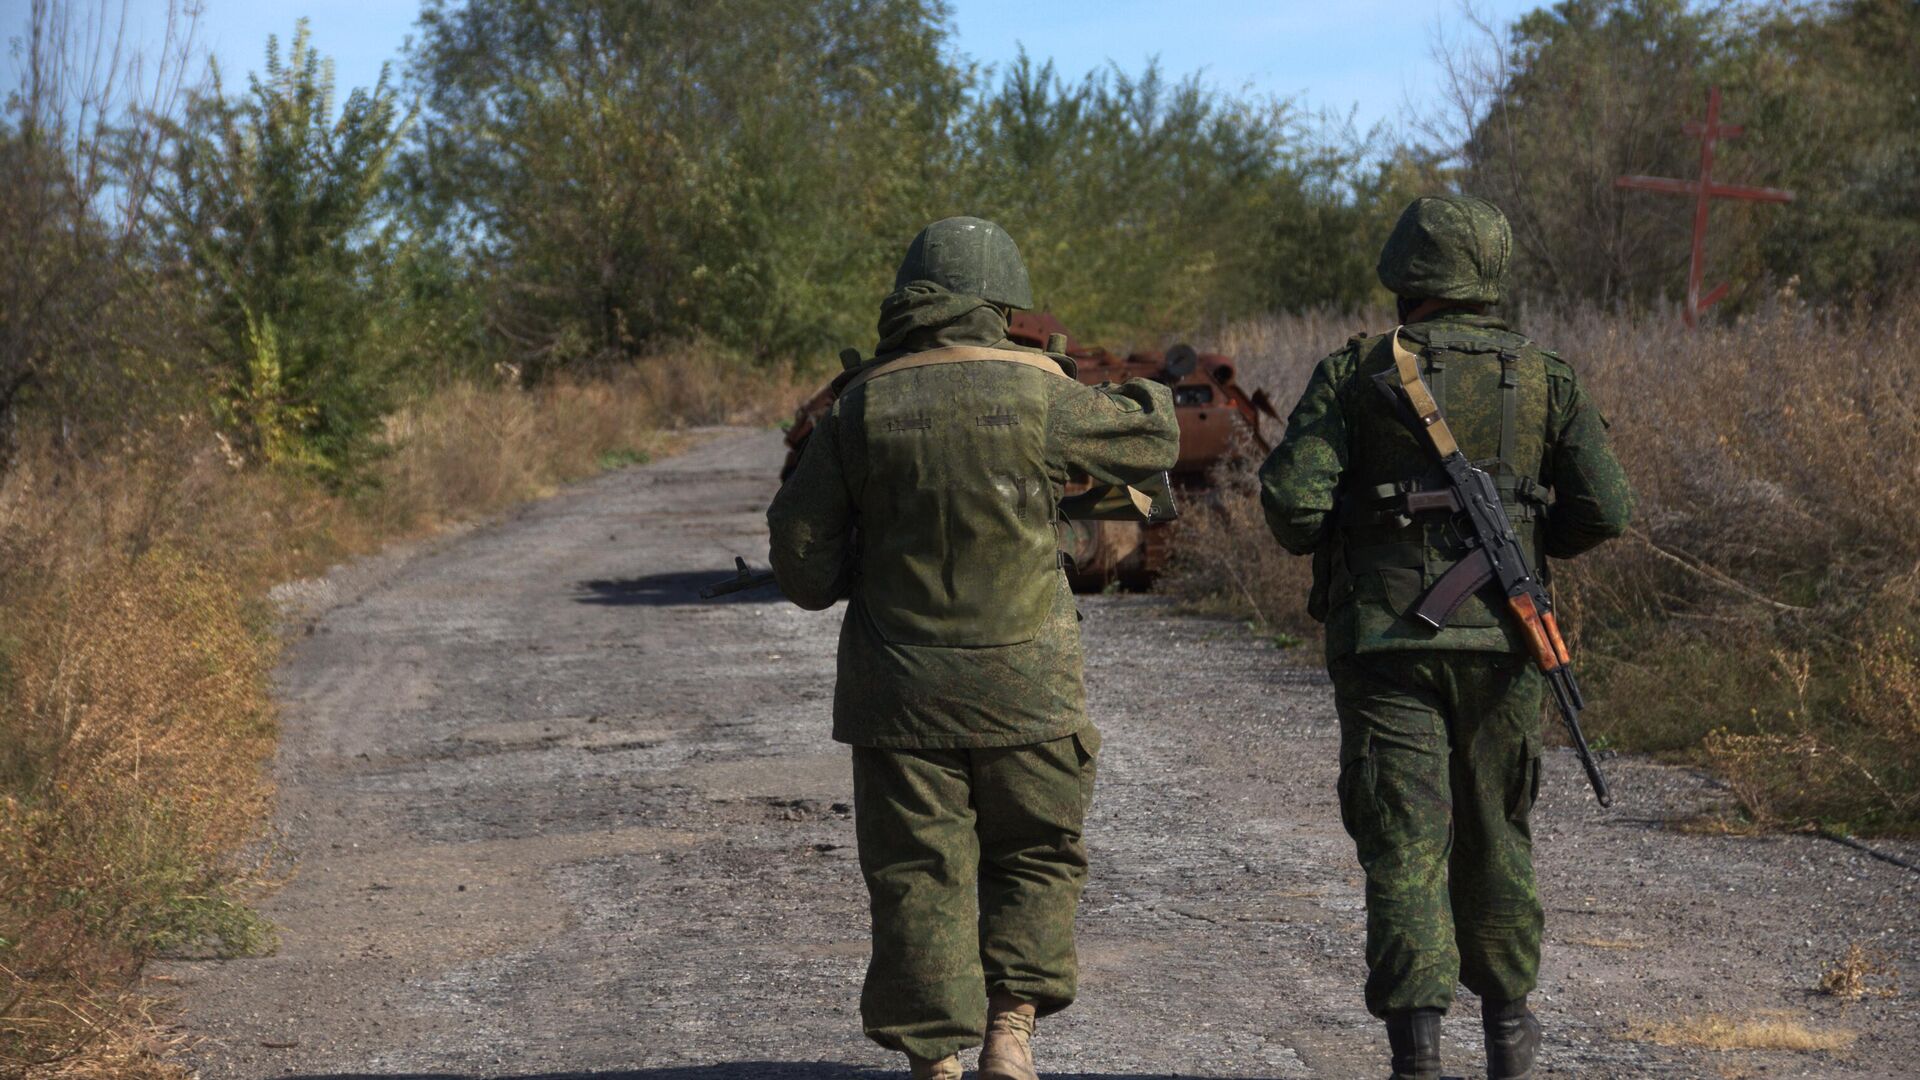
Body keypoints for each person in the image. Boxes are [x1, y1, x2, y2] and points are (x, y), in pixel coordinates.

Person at [767, 216, 1180, 1080]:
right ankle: (1011, 1035)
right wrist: (1144, 392)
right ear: (1003, 301)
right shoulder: (1041, 391)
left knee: (918, 870)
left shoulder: (859, 405)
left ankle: (934, 1065)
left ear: (908, 301)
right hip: (1028, 685)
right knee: (1033, 851)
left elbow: (803, 572)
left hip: (898, 690)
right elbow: (1153, 441)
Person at [1257, 195, 1632, 1080]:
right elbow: (1607, 510)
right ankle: (1508, 1031)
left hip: (1388, 647)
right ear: (1490, 273)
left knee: (1404, 840)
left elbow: (1291, 505)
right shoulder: (1547, 376)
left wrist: (1359, 529)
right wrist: (1529, 557)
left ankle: (1417, 1056)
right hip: (1507, 643)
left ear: (1404, 276)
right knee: (1498, 833)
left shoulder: (1355, 371)